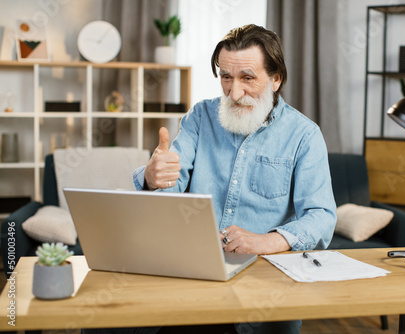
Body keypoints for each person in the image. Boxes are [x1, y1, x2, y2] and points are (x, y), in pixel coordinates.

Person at [86, 24, 336, 334]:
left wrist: (265, 241)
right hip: (189, 274)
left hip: (261, 283)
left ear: (276, 78)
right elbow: (171, 180)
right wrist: (154, 176)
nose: (234, 92)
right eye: (226, 78)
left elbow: (321, 215)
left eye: (247, 78)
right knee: (103, 321)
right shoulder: (200, 117)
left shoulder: (304, 135)